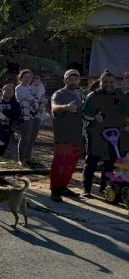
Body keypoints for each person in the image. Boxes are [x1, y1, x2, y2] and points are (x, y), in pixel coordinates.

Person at [81, 70, 129, 198]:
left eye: (111, 82)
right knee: (91, 161)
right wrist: (94, 118)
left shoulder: (121, 96)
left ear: (116, 83)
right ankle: (86, 188)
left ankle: (105, 187)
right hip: (96, 134)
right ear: (100, 82)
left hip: (115, 135)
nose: (108, 84)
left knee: (110, 162)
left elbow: (126, 113)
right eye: (105, 82)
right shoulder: (93, 96)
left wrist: (126, 125)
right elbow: (84, 114)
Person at [49, 69, 84, 201]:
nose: (73, 81)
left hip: (76, 135)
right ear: (64, 80)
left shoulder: (78, 94)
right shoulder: (59, 94)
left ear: (79, 80)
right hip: (63, 136)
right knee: (60, 163)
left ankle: (63, 186)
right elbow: (54, 107)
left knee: (72, 163)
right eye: (70, 79)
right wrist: (65, 107)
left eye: (75, 79)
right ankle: (55, 190)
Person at [15, 69, 41, 167]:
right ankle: (21, 158)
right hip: (25, 116)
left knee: (32, 137)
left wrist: (42, 101)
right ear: (21, 78)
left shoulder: (32, 88)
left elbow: (41, 98)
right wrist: (40, 101)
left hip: (36, 115)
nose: (27, 79)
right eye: (25, 77)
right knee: (25, 137)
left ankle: (28, 157)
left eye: (29, 77)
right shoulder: (19, 88)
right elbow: (33, 99)